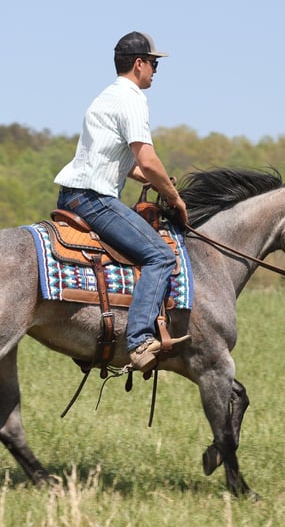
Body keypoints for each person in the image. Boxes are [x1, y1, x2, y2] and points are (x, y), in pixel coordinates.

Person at [54, 31, 190, 372]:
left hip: (72, 195)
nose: (156, 70)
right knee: (160, 255)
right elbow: (146, 158)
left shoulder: (105, 96)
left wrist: (152, 180)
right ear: (139, 64)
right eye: (154, 63)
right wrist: (174, 197)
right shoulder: (132, 99)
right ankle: (140, 340)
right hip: (94, 200)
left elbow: (120, 162)